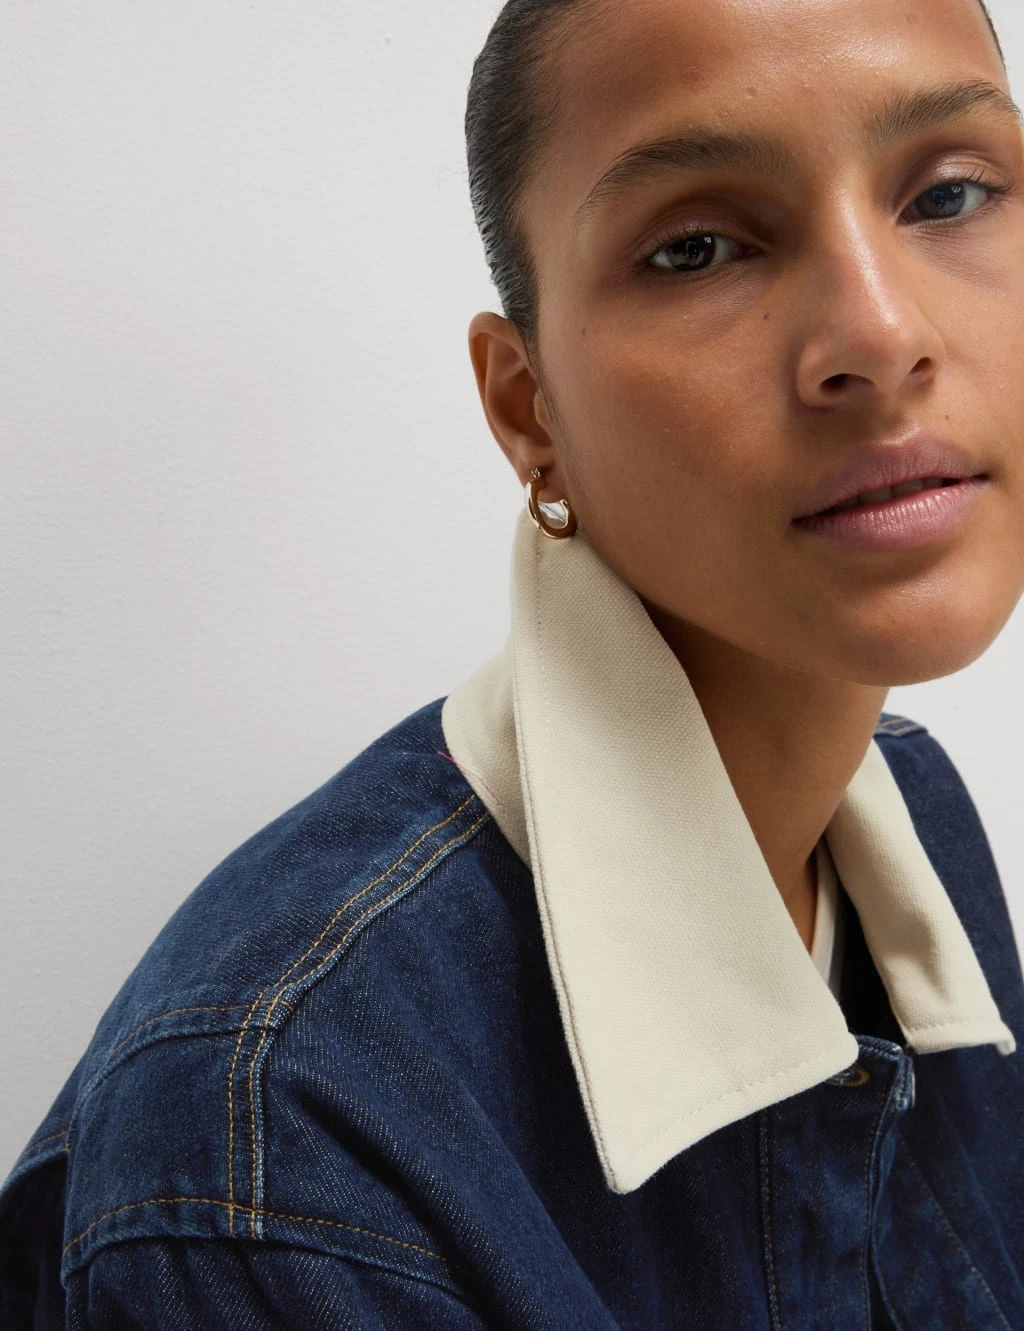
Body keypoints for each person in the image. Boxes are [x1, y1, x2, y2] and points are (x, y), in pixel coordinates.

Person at [2, 0, 1023, 1324]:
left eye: (950, 195)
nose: (880, 335)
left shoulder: (910, 805)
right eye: (696, 248)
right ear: (527, 408)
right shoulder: (275, 1139)